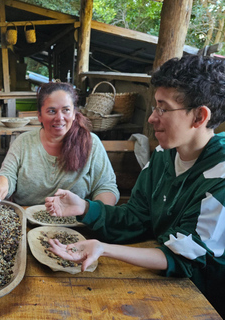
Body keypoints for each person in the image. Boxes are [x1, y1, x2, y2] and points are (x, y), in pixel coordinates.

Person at [45, 55, 225, 317]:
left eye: (163, 108)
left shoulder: (219, 176)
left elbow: (189, 258)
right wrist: (84, 207)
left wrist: (104, 249)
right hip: (160, 287)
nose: (152, 118)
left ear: (199, 116)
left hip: (202, 300)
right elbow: (136, 217)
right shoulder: (164, 156)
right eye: (154, 107)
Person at [0, 81, 119, 207]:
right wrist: (3, 181)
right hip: (27, 220)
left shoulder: (90, 143)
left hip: (76, 223)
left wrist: (94, 212)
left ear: (74, 114)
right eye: (51, 111)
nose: (59, 117)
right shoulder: (23, 142)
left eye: (66, 110)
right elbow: (8, 175)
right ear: (39, 115)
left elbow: (105, 186)